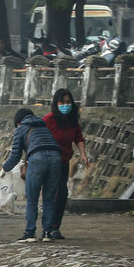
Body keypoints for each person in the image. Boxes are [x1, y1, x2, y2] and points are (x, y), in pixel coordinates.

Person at [0, 108, 62, 243]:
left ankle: (30, 232)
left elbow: (15, 155)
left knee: (32, 198)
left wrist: (5, 168)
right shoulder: (44, 127)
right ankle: (47, 232)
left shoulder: (20, 129)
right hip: (56, 158)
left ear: (18, 122)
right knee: (49, 198)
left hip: (37, 159)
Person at [42, 88, 91, 241]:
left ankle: (55, 226)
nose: (65, 105)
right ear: (56, 104)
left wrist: (83, 154)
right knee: (51, 193)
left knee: (62, 193)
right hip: (49, 162)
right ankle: (47, 227)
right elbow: (39, 137)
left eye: (68, 102)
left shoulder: (72, 121)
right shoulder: (48, 120)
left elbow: (79, 139)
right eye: (62, 102)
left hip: (63, 162)